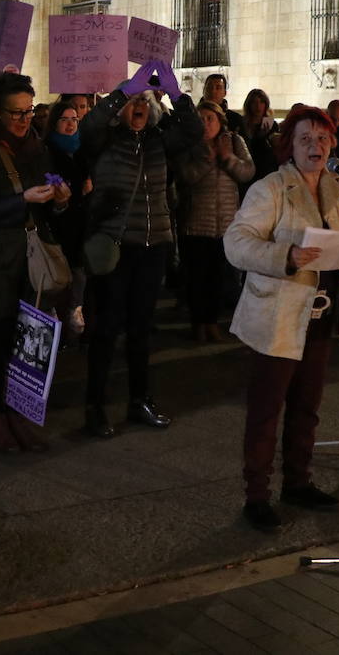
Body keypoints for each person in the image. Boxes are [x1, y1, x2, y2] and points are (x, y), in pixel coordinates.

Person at [224, 105, 339, 532]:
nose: (315, 146)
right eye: (305, 139)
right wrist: (286, 256)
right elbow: (236, 243)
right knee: (266, 410)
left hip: (321, 317)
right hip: (276, 317)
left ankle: (298, 481)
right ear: (289, 147)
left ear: (333, 144)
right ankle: (256, 495)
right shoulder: (270, 189)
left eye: (322, 139)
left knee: (306, 407)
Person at [80, 60, 203, 438]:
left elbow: (194, 130)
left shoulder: (158, 142)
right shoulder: (106, 139)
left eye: (145, 103)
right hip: (117, 248)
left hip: (153, 247)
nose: (139, 108)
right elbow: (89, 125)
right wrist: (125, 89)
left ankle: (139, 401)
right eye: (134, 103)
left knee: (140, 331)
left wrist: (177, 93)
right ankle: (96, 408)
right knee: (106, 329)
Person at [0, 72, 71, 453]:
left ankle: (20, 413)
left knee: (30, 339)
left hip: (31, 258)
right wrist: (23, 199)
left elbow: (50, 205)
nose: (25, 120)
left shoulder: (38, 146)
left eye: (29, 111)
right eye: (16, 113)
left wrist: (60, 198)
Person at [177, 100, 254, 342]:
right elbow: (185, 177)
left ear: (220, 121)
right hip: (196, 223)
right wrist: (208, 160)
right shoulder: (190, 143)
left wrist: (228, 158)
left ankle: (211, 322)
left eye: (210, 118)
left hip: (226, 224)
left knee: (218, 278)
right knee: (197, 278)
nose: (205, 124)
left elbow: (248, 172)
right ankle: (197, 323)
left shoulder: (234, 141)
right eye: (201, 119)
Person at [44, 98, 92, 337]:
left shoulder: (82, 148)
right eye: (65, 120)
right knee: (59, 276)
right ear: (55, 123)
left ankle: (74, 312)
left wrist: (88, 186)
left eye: (74, 119)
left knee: (79, 272)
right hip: (58, 224)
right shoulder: (48, 151)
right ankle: (56, 321)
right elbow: (47, 180)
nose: (71, 124)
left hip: (81, 223)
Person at [241, 88, 279, 188]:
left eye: (261, 102)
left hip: (266, 170)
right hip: (247, 170)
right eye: (254, 102)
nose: (258, 106)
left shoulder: (271, 124)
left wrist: (264, 138)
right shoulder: (242, 124)